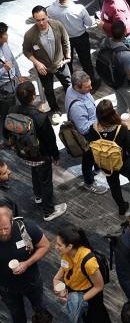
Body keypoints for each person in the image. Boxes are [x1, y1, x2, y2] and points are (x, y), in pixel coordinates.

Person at [5, 82, 67, 220]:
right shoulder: (40, 117)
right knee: (46, 181)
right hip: (40, 155)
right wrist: (55, 155)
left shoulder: (12, 110)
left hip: (23, 152)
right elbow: (50, 140)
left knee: (34, 172)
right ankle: (48, 212)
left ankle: (38, 196)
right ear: (34, 96)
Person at [86, 99, 130, 216]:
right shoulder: (121, 129)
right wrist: (129, 127)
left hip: (106, 162)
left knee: (113, 184)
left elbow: (90, 143)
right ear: (112, 113)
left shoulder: (93, 129)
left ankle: (122, 207)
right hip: (124, 161)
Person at [0, 208, 50, 323]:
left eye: (5, 228)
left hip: (32, 282)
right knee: (17, 317)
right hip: (7, 289)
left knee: (41, 313)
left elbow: (45, 245)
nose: (3, 232)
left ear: (12, 221)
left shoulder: (26, 228)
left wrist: (27, 263)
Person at [53, 226, 112, 323]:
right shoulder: (67, 254)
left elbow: (99, 286)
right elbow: (62, 271)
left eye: (59, 245)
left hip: (89, 296)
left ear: (70, 246)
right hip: (74, 291)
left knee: (98, 320)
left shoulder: (89, 262)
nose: (55, 247)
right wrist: (56, 280)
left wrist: (77, 301)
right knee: (83, 319)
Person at [22, 6, 71, 125]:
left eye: (43, 19)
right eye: (37, 20)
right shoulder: (30, 35)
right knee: (48, 90)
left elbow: (65, 40)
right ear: (34, 19)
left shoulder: (57, 25)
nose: (41, 23)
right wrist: (37, 63)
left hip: (60, 63)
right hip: (44, 69)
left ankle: (73, 104)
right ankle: (55, 110)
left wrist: (68, 56)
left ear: (47, 16)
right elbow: (26, 51)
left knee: (68, 84)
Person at [64, 71, 107, 194]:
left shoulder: (71, 88)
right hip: (88, 135)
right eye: (87, 87)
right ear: (77, 87)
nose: (91, 88)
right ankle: (89, 182)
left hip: (93, 127)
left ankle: (98, 167)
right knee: (88, 159)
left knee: (95, 153)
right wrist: (100, 122)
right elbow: (83, 128)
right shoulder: (77, 106)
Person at [48, 0, 97, 87]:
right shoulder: (79, 8)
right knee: (86, 61)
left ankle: (70, 85)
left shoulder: (50, 10)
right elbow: (89, 23)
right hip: (80, 38)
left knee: (67, 64)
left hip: (64, 39)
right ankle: (91, 84)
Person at [0, 22, 26, 137]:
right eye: (5, 34)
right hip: (3, 88)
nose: (7, 36)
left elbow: (13, 60)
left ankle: (18, 128)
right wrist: (3, 70)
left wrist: (19, 75)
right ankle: (7, 136)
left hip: (14, 81)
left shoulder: (5, 44)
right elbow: (6, 67)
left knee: (18, 106)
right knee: (6, 113)